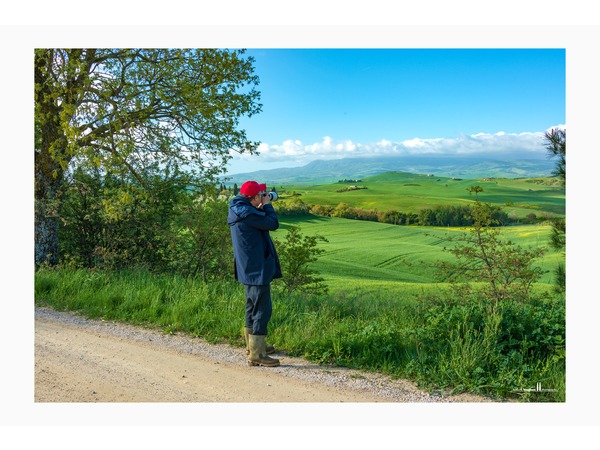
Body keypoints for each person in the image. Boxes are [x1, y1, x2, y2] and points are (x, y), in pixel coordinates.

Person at [228, 180, 282, 367]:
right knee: (262, 309)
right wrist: (267, 206)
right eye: (261, 194)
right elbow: (273, 223)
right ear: (254, 197)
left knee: (252, 306)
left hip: (248, 268)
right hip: (257, 268)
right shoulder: (248, 213)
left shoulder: (239, 209)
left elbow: (257, 219)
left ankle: (252, 347)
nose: (264, 196)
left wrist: (260, 205)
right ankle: (257, 355)